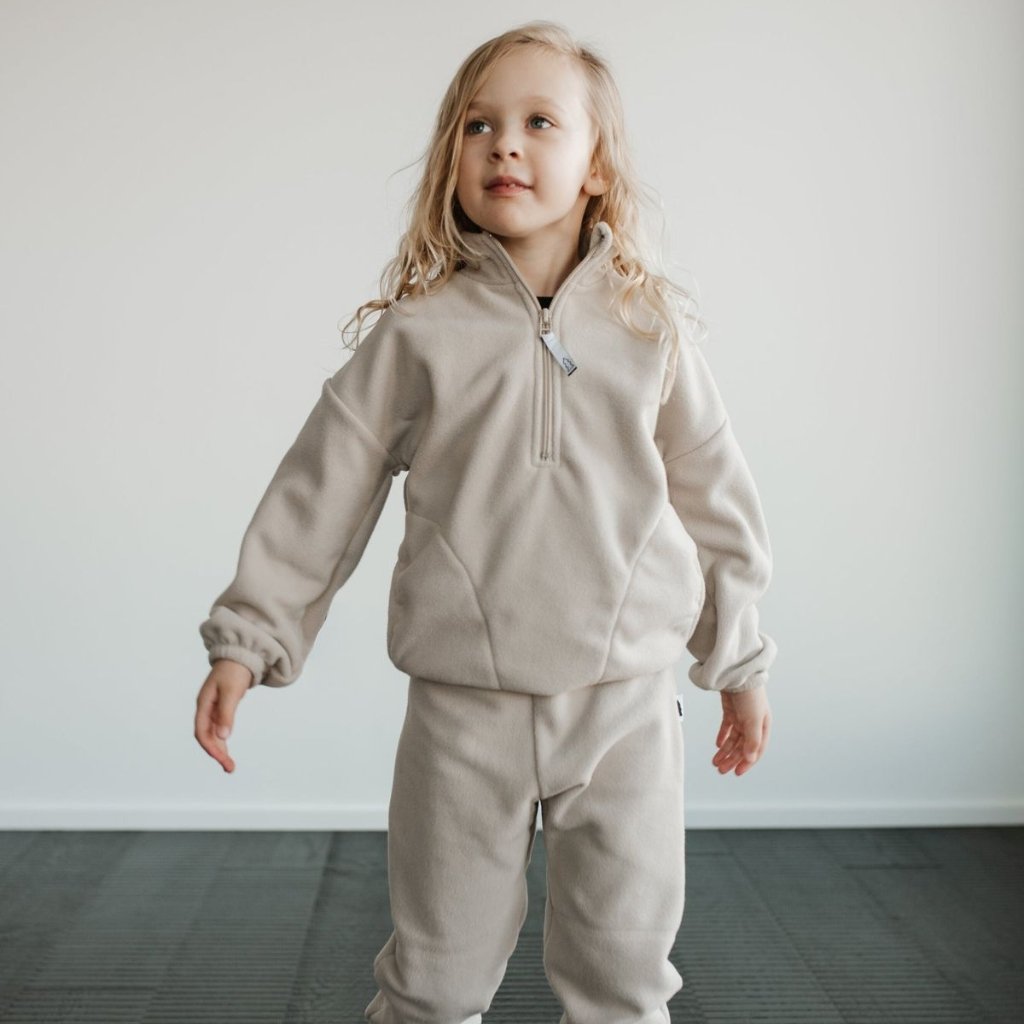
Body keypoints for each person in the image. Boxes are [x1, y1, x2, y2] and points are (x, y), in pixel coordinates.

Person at [193, 19, 777, 1024]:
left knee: (624, 977)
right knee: (435, 978)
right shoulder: (418, 334)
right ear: (451, 159)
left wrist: (741, 661)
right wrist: (249, 640)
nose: (504, 143)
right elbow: (322, 490)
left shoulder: (652, 332)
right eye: (477, 125)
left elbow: (716, 499)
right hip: (462, 714)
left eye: (539, 122)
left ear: (596, 166)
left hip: (625, 708)